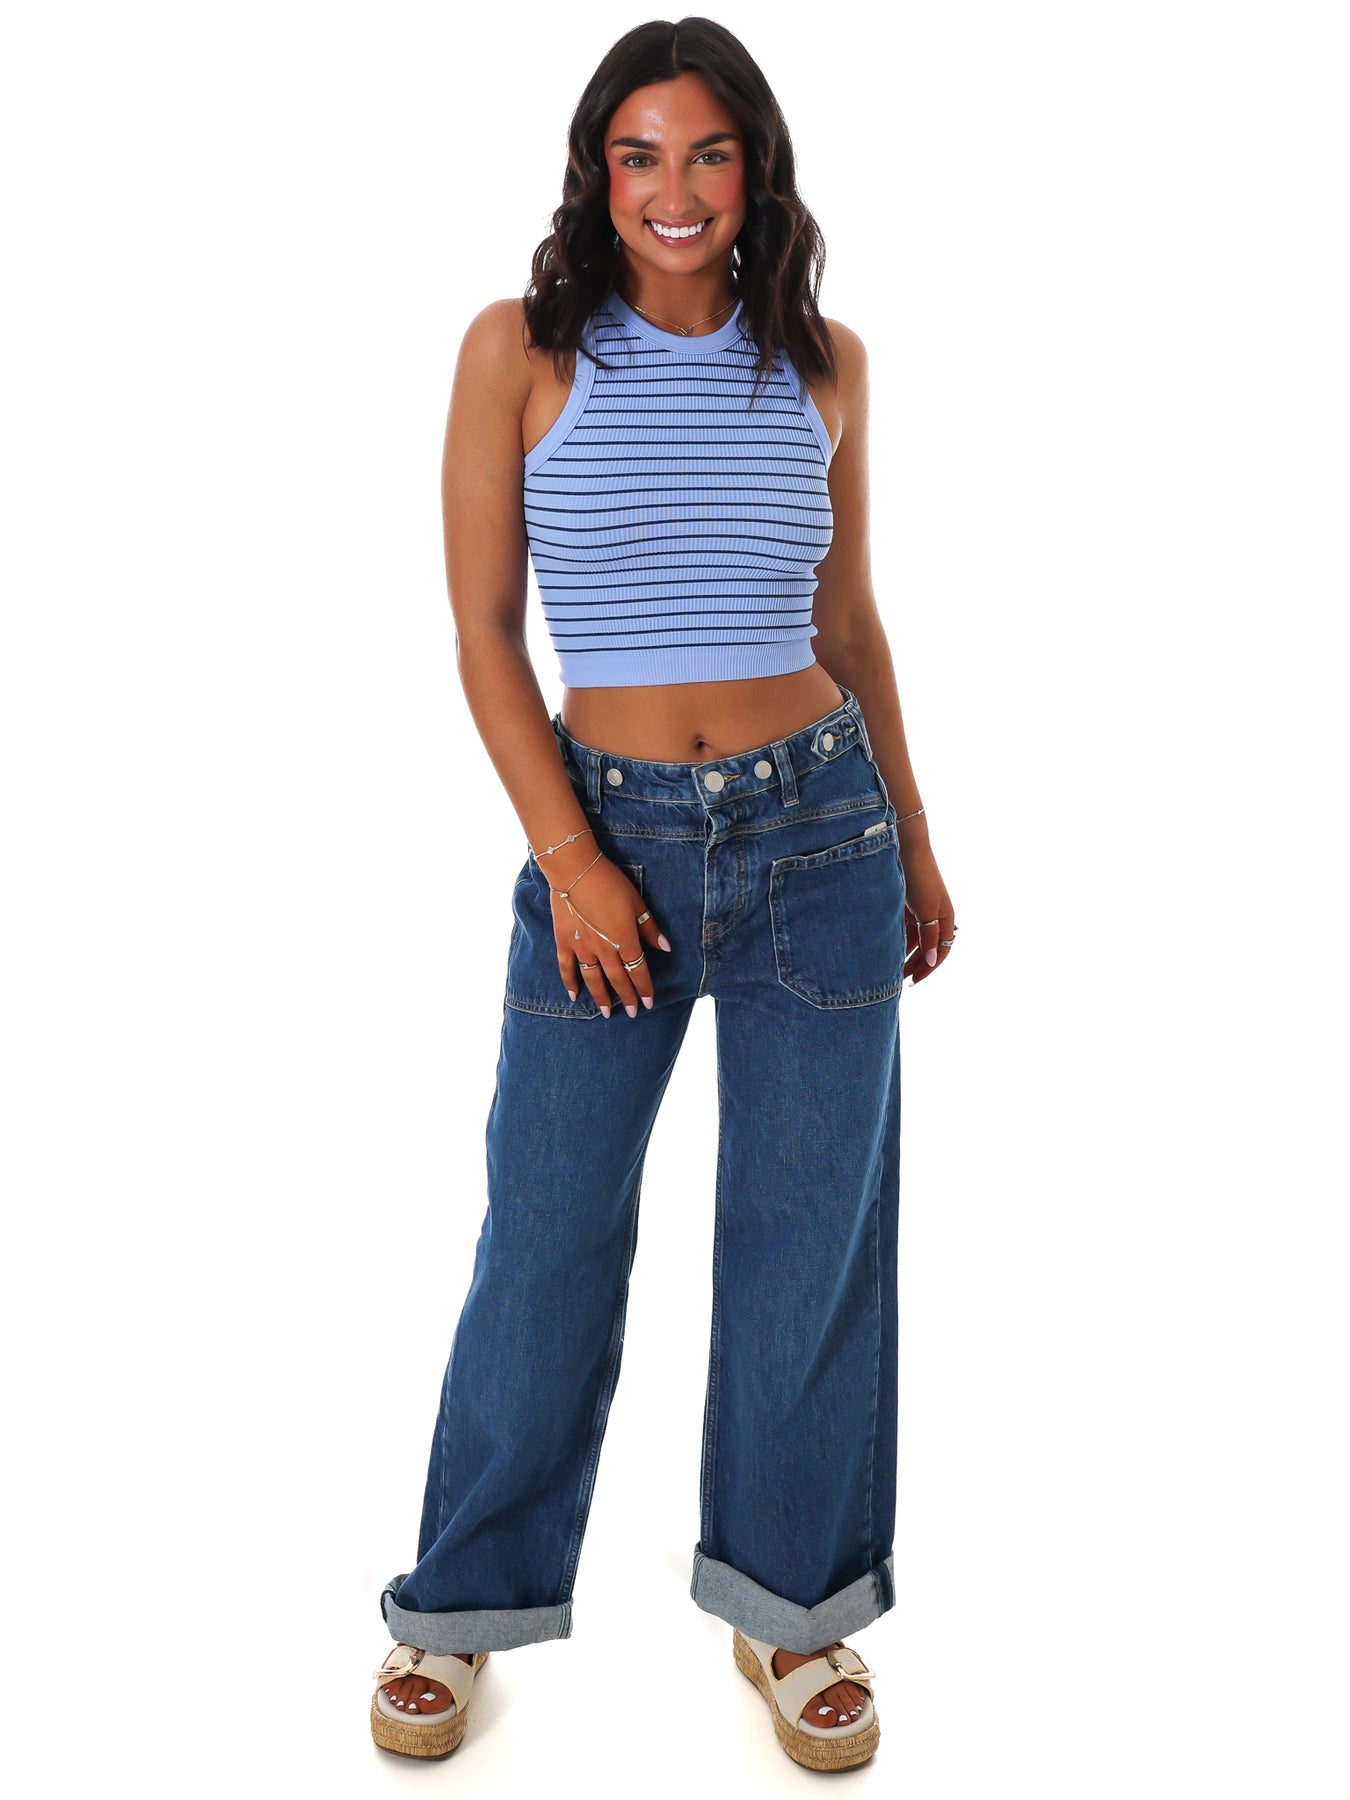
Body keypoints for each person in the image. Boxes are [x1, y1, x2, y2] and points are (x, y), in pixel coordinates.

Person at [369, 17, 956, 1774]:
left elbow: (847, 626)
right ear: (596, 173)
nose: (674, 190)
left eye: (707, 152)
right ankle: (460, 1609)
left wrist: (917, 839)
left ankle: (792, 1613)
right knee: (544, 1239)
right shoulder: (521, 349)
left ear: (753, 170)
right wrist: (571, 860)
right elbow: (484, 632)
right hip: (604, 838)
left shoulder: (828, 362)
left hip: (820, 837)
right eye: (640, 155)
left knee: (807, 1247)